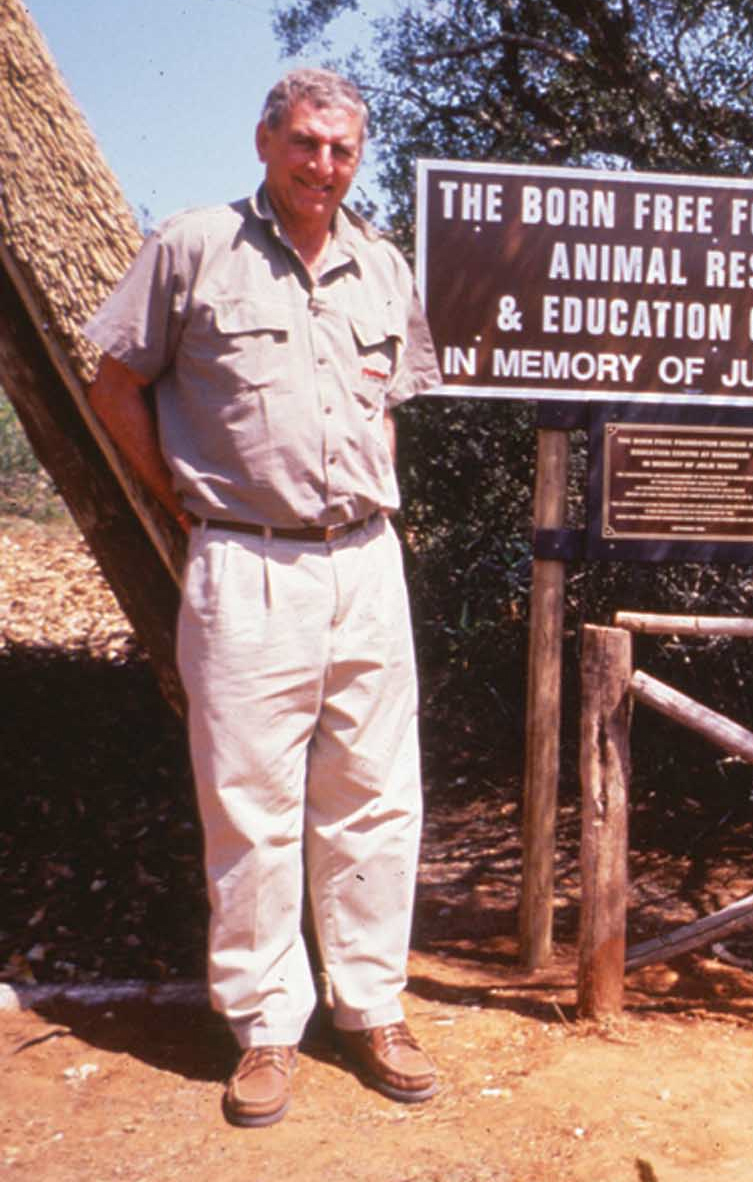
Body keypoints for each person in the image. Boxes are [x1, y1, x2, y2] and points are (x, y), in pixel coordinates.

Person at [84, 68, 441, 1126]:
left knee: (377, 798)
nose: (323, 166)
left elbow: (387, 409)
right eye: (305, 144)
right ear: (264, 142)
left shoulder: (382, 264)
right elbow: (112, 382)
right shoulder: (196, 248)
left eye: (341, 149)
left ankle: (373, 1008)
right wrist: (183, 507)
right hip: (245, 565)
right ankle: (266, 1030)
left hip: (366, 563)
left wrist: (375, 517)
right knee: (251, 806)